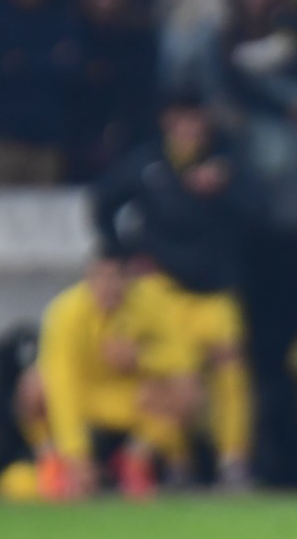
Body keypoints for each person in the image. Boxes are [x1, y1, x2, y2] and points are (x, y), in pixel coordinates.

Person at [92, 93, 263, 489]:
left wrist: (225, 187)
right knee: (174, 375)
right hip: (163, 288)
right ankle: (176, 461)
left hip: (214, 289)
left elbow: (261, 212)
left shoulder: (227, 161)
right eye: (181, 120)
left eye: (195, 120)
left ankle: (233, 461)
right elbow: (103, 202)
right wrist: (122, 254)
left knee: (230, 371)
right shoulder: (147, 163)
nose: (189, 129)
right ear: (168, 121)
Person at [17, 250, 200, 500]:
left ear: (129, 279)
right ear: (88, 279)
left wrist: (140, 357)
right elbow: (62, 383)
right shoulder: (65, 312)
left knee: (184, 390)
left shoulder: (150, 304)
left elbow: (184, 358)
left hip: (129, 398)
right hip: (81, 395)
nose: (108, 286)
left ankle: (136, 460)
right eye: (101, 277)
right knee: (34, 385)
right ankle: (54, 462)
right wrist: (77, 455)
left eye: (116, 277)